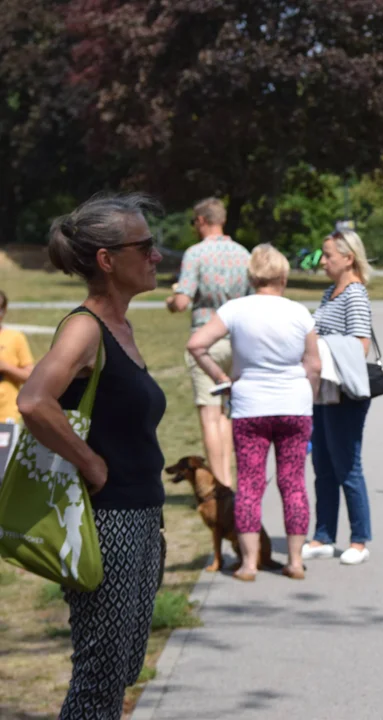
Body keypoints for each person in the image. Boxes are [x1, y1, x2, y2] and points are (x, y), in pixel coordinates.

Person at [18, 193, 167, 720]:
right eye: (145, 246)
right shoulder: (85, 328)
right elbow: (34, 400)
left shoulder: (121, 329)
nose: (157, 256)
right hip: (109, 523)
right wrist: (91, 463)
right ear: (107, 259)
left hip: (141, 516)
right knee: (98, 683)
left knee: (120, 672)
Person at [186, 244, 320, 581]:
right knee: (293, 484)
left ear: (251, 276)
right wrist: (309, 399)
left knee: (249, 484)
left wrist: (221, 377)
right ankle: (295, 561)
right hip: (294, 406)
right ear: (285, 276)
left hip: (250, 408)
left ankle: (247, 564)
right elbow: (313, 364)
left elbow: (196, 344)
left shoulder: (235, 309)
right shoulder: (299, 312)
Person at [302, 229, 375, 566]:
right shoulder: (331, 291)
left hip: (345, 392)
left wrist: (323, 347)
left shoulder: (355, 293)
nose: (323, 261)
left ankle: (359, 540)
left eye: (329, 255)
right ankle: (323, 536)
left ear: (348, 258)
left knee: (348, 466)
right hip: (323, 391)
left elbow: (360, 344)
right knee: (323, 466)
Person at [166, 197, 250, 489]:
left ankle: (221, 484)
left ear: (201, 220)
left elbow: (183, 299)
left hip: (206, 342)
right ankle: (230, 480)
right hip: (237, 341)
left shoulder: (196, 254)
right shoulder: (243, 254)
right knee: (227, 414)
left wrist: (172, 300)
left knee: (210, 415)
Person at [0, 290, 35, 423]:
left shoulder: (15, 338)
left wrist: (5, 367)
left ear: (4, 311)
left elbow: (30, 377)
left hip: (6, 416)